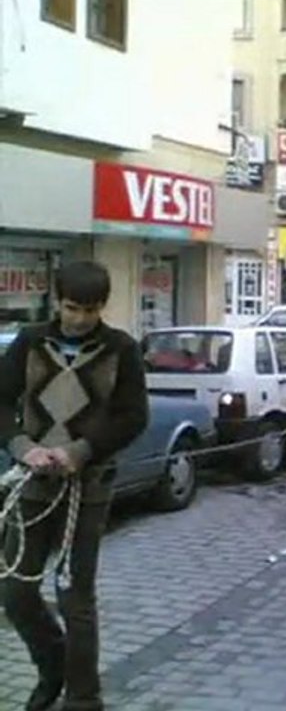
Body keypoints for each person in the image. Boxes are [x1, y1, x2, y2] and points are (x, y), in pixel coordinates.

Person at [0, 261, 149, 711]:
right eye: (71, 307)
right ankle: (53, 667)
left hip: (88, 488)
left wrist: (80, 451)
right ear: (56, 300)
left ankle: (83, 698)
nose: (80, 318)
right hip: (32, 486)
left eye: (90, 309)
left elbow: (132, 416)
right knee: (16, 591)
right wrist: (23, 447)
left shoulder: (121, 349)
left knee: (75, 597)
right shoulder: (30, 342)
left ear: (102, 306)